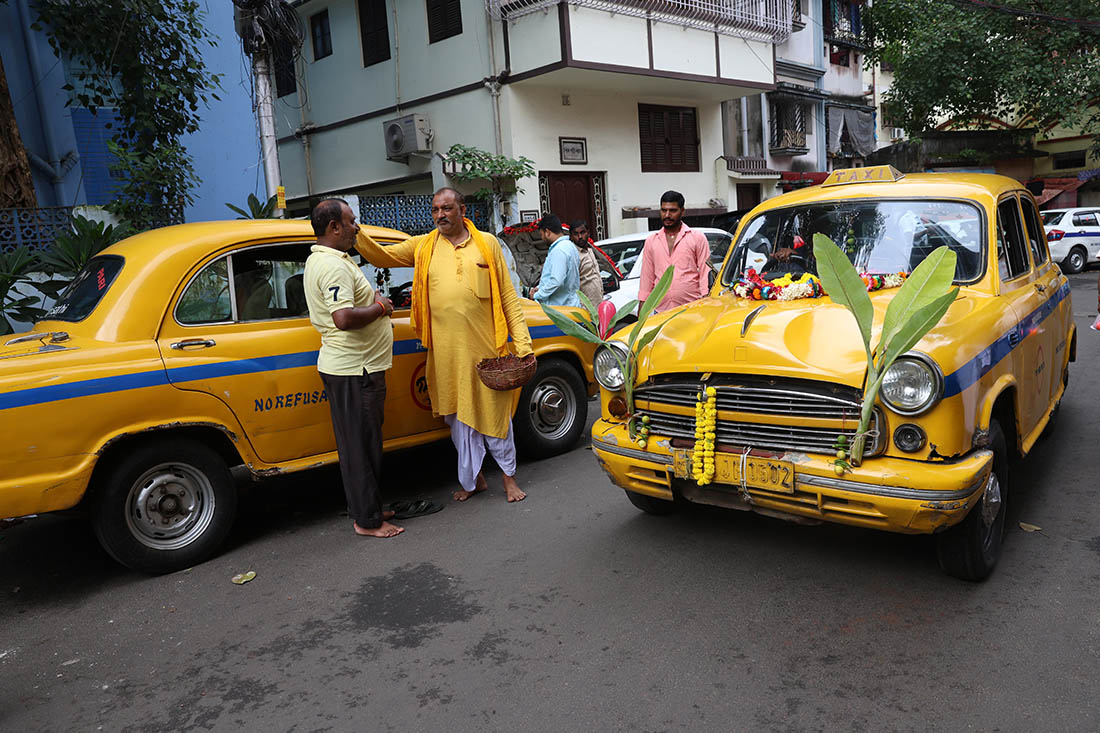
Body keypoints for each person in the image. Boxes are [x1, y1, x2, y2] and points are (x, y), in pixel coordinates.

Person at [356, 188, 533, 503]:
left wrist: (522, 344)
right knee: (458, 419)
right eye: (436, 209)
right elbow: (381, 256)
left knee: (495, 415)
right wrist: (355, 232)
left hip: (487, 351)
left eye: (447, 208)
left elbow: (507, 295)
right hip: (446, 355)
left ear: (462, 210)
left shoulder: (487, 243)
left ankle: (509, 479)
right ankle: (474, 479)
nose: (440, 215)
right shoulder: (423, 246)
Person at [304, 199, 403, 538]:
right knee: (359, 448)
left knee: (364, 444)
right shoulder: (332, 266)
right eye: (351, 221)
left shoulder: (330, 259)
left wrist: (371, 301)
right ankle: (368, 521)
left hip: (357, 368)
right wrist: (381, 307)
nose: (357, 227)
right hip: (354, 370)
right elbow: (343, 318)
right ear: (334, 227)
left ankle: (368, 507)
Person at [637, 190, 711, 313]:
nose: (667, 215)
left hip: (692, 309)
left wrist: (706, 303)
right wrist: (642, 311)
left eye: (672, 210)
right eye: (664, 210)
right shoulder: (651, 241)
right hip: (661, 311)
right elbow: (646, 278)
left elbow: (705, 272)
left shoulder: (696, 238)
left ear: (682, 211)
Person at [530, 214, 581, 307]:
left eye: (542, 235)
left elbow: (556, 280)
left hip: (560, 308)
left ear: (547, 232)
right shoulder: (570, 246)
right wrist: (539, 288)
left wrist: (537, 295)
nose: (542, 238)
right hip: (571, 305)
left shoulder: (559, 250)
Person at [569, 219, 604, 306]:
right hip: (585, 306)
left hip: (598, 302)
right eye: (576, 234)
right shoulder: (573, 255)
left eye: (582, 232)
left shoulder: (590, 251)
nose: (580, 236)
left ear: (588, 233)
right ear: (571, 237)